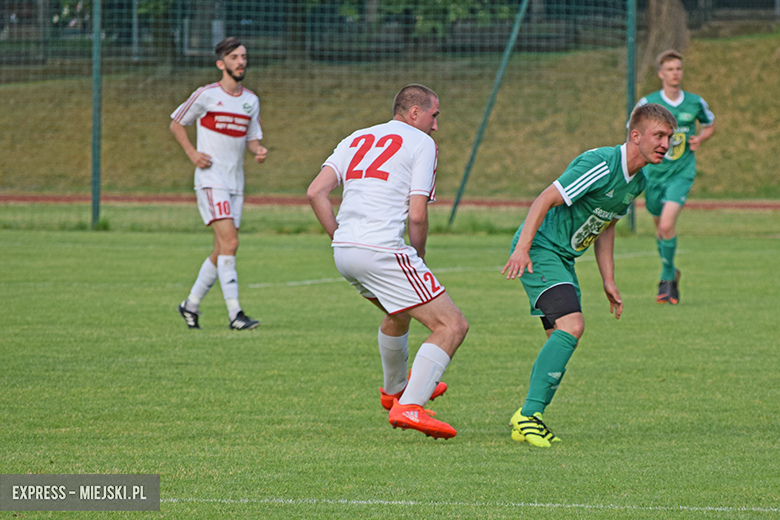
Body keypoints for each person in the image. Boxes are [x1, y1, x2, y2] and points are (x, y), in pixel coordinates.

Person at [502, 103, 677, 448]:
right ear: (636, 135)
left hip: (563, 257)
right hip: (541, 249)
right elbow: (545, 199)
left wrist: (607, 279)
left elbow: (606, 223)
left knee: (562, 338)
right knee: (573, 326)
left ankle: (528, 418)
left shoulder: (637, 180)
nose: (665, 144)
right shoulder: (599, 164)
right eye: (658, 135)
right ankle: (527, 416)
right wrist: (522, 248)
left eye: (669, 137)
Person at [307, 84, 469, 440]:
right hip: (381, 251)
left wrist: (339, 236)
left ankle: (394, 389)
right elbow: (417, 215)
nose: (435, 125)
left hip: (345, 252)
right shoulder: (421, 143)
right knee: (452, 326)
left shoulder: (356, 138)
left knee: (399, 312)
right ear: (414, 113)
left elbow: (316, 191)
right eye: (434, 115)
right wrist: (418, 256)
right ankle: (409, 406)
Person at [170, 37, 268, 330]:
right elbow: (176, 122)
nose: (241, 62)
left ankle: (190, 305)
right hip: (212, 181)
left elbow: (252, 139)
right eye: (235, 57)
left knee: (222, 248)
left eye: (244, 56)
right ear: (221, 63)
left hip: (236, 183)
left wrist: (258, 150)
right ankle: (235, 314)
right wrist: (193, 154)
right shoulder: (206, 95)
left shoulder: (251, 100)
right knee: (231, 242)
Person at [635, 49, 716, 304]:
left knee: (667, 225)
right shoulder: (648, 104)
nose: (675, 73)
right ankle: (670, 274)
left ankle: (667, 275)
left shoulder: (694, 102)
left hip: (681, 172)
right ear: (661, 74)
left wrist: (700, 137)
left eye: (678, 69)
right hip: (654, 173)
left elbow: (710, 123)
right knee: (659, 227)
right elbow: (633, 131)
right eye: (670, 69)